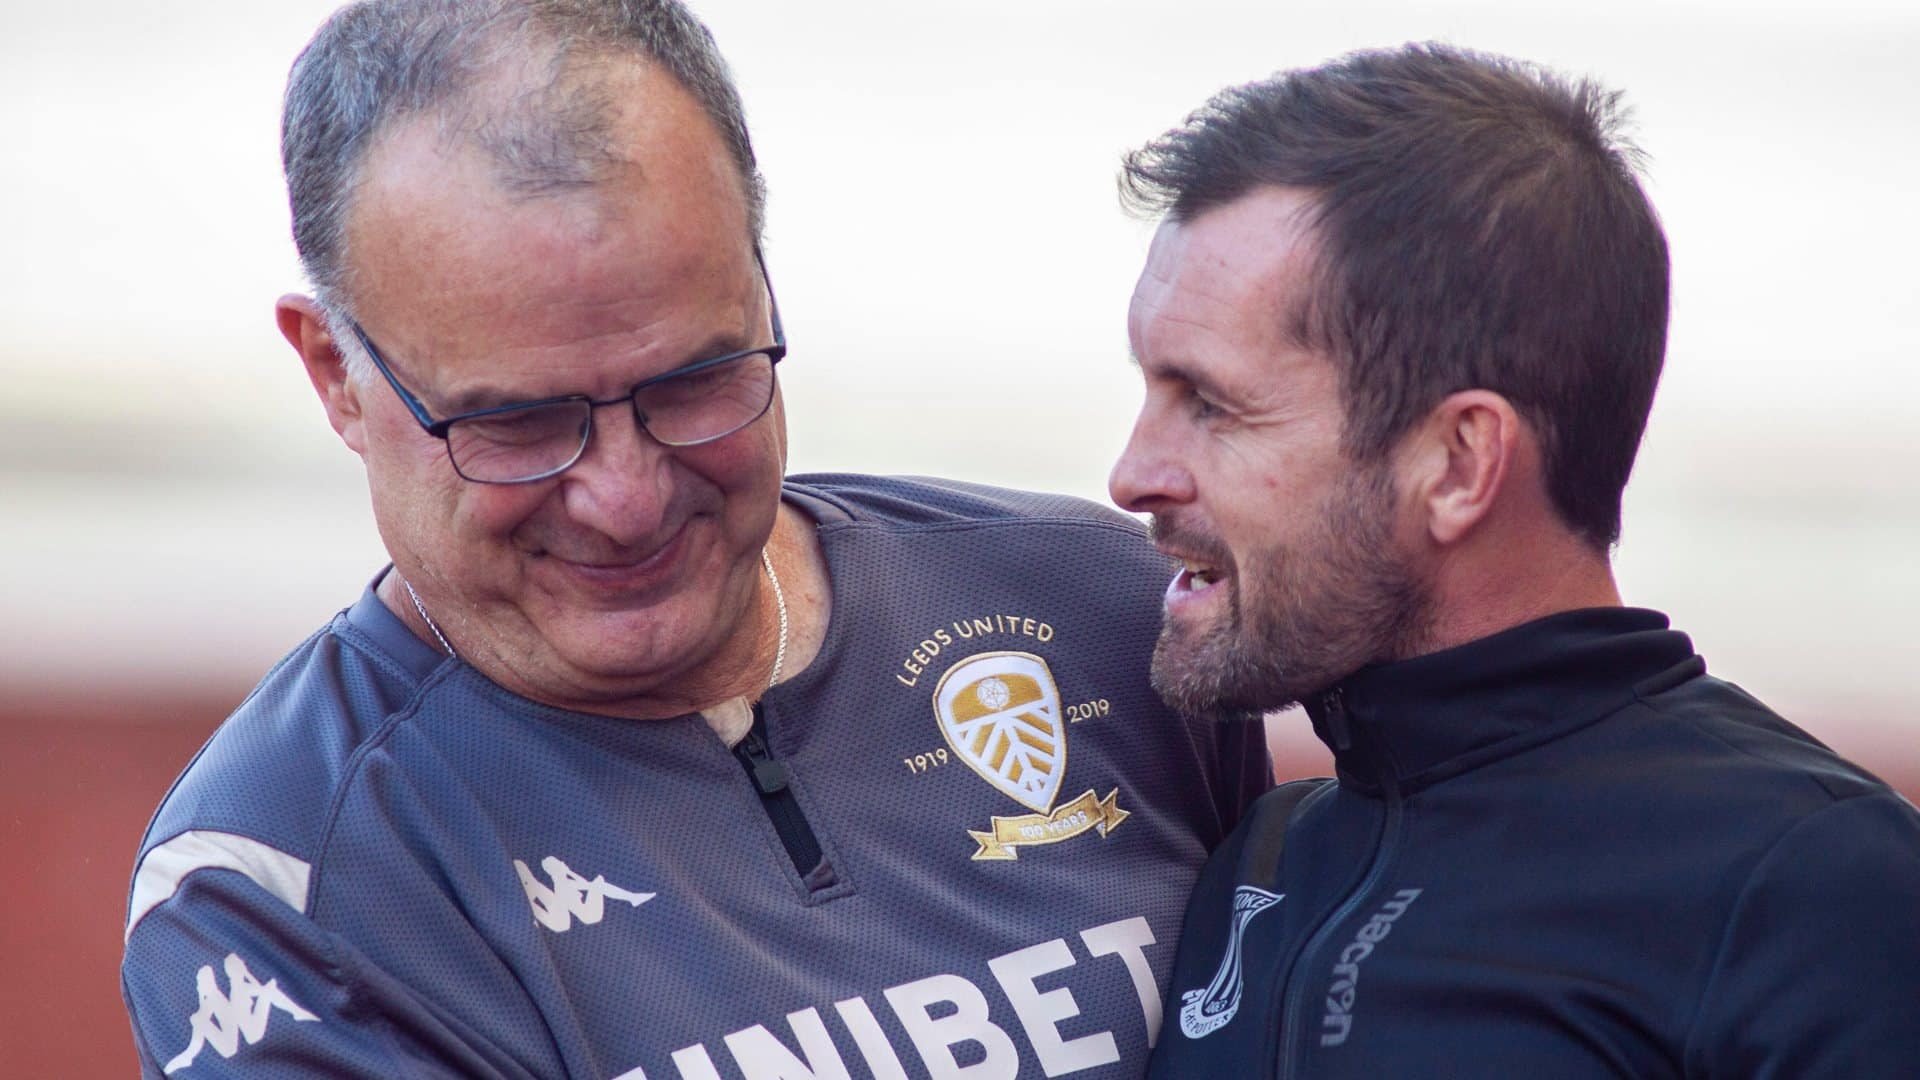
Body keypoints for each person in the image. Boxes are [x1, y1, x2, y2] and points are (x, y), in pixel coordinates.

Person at [118, 3, 1269, 1076]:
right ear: (336, 373)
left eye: (695, 380)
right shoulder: (286, 891)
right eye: (516, 421)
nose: (624, 500)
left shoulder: (1100, 606)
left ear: (764, 288)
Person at [1107, 42, 1920, 1079]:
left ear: (1458, 462)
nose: (1134, 474)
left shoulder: (1810, 882)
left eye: (1212, 404)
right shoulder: (1258, 859)